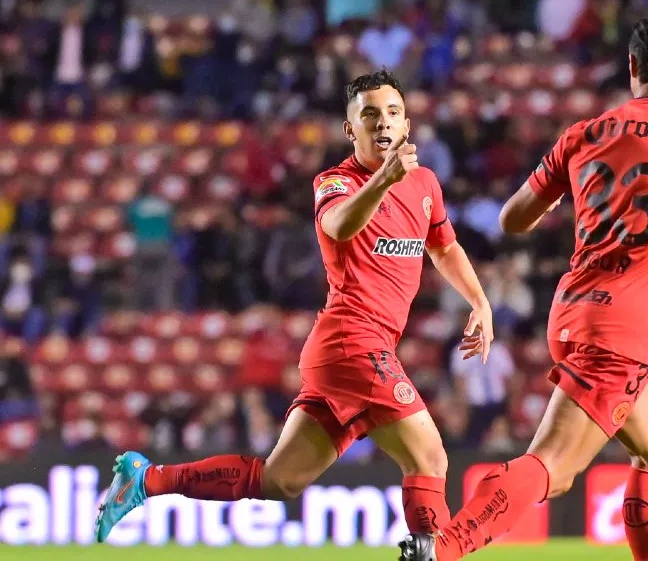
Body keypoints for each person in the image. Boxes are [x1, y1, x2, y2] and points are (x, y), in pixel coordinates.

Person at [399, 10, 648, 561]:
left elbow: (512, 219)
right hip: (623, 331)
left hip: (573, 312)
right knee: (553, 469)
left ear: (632, 66)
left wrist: (574, 188)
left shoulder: (586, 133)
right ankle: (442, 547)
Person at [95, 70, 495, 543]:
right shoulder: (335, 182)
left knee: (279, 479)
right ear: (351, 130)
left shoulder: (425, 183)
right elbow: (340, 227)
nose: (382, 122)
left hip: (351, 355)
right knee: (429, 458)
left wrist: (479, 302)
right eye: (369, 115)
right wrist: (384, 179)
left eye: (392, 113)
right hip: (352, 343)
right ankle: (435, 556)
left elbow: (444, 247)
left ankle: (146, 479)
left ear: (406, 125)